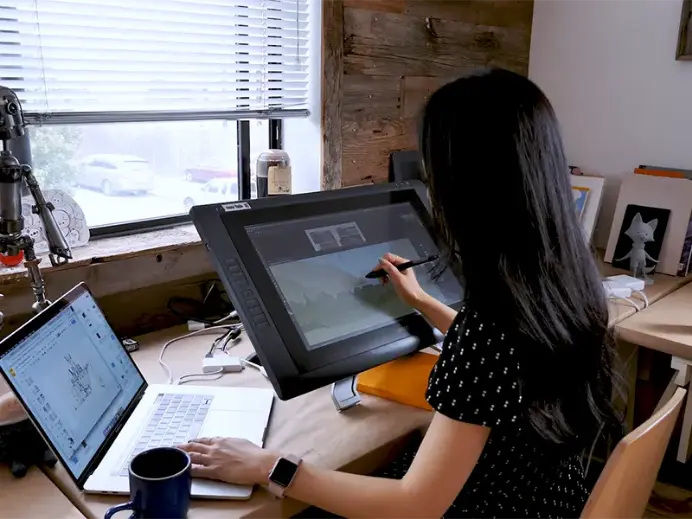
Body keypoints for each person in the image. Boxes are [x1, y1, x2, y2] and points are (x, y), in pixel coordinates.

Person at [179, 68, 622, 518]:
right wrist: (423, 303)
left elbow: (416, 505)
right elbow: (511, 356)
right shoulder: (566, 282)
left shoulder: (490, 331)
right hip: (546, 496)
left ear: (467, 186)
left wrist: (267, 466)